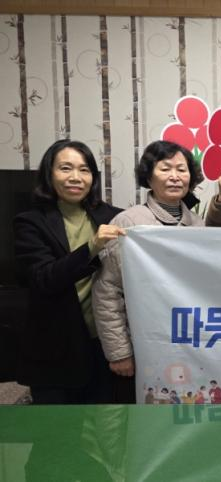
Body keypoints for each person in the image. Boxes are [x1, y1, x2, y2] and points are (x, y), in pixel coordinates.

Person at [12, 139, 125, 404]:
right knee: (55, 427)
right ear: (49, 173)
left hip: (102, 345)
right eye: (65, 168)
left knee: (104, 424)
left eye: (84, 170)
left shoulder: (111, 216)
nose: (76, 177)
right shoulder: (29, 222)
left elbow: (154, 222)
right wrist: (91, 247)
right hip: (54, 349)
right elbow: (44, 279)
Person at [92, 140, 204, 391]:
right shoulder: (128, 223)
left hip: (188, 345)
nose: (175, 176)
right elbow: (107, 291)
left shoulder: (198, 224)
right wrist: (119, 352)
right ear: (148, 176)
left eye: (182, 169)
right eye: (165, 169)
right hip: (141, 343)